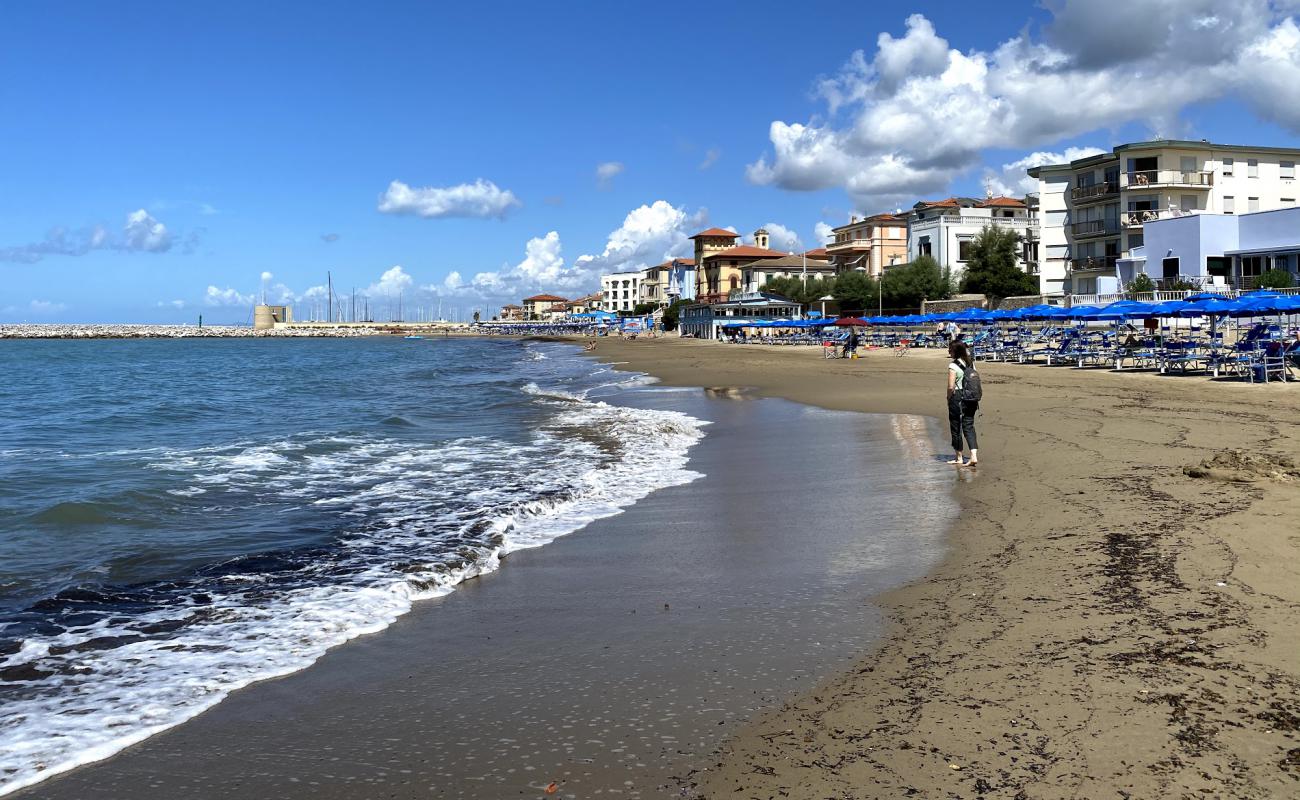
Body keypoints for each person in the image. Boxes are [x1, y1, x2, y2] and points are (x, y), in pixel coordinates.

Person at [946, 340, 979, 467]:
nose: (948, 351)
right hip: (972, 397)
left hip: (958, 396)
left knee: (956, 426)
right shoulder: (971, 363)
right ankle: (973, 455)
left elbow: (950, 386)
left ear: (956, 351)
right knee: (969, 425)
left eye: (950, 349)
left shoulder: (953, 366)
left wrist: (948, 398)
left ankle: (959, 457)